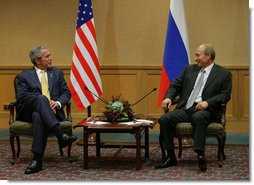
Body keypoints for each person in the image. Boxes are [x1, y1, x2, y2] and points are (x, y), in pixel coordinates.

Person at [155, 44, 232, 171]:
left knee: (199, 116)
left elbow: (225, 95)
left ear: (208, 56)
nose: (195, 58)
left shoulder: (224, 74)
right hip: (186, 108)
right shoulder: (189, 69)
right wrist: (168, 97)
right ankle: (170, 156)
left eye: (198, 55)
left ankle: (200, 155)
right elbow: (175, 85)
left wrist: (208, 102)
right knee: (164, 119)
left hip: (207, 110)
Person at [15, 46, 77, 174]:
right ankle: (60, 135)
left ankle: (37, 160)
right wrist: (43, 101)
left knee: (39, 116)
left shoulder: (57, 73)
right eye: (47, 56)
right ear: (38, 60)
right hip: (28, 113)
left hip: (50, 114)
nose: (51, 58)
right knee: (41, 99)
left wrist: (58, 103)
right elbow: (22, 97)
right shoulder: (23, 77)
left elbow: (66, 93)